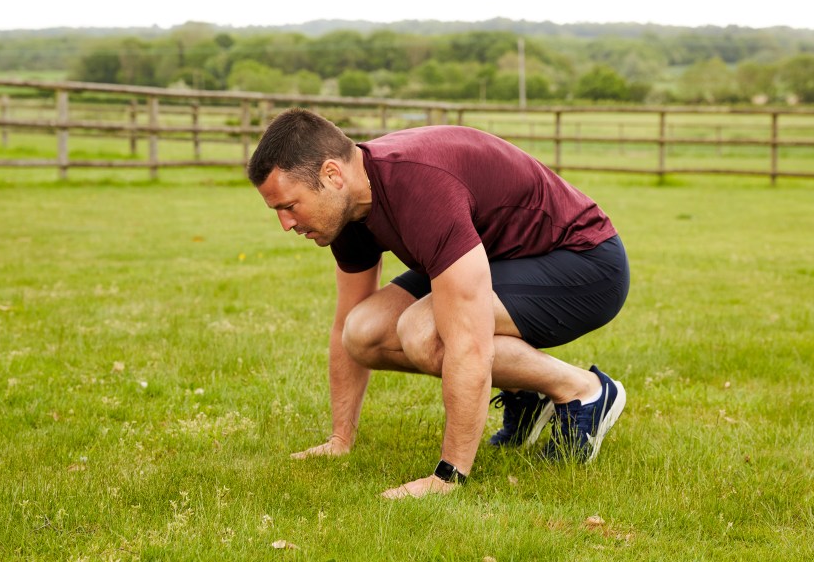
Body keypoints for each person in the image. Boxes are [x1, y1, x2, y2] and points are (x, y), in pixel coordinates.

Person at [247, 108, 629, 499]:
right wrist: (340, 438)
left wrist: (448, 476)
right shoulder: (347, 207)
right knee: (362, 333)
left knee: (424, 330)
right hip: (500, 258)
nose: (286, 224)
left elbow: (468, 341)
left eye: (289, 206)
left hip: (586, 263)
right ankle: (526, 397)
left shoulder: (420, 187)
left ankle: (587, 391)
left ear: (332, 175)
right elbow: (345, 322)